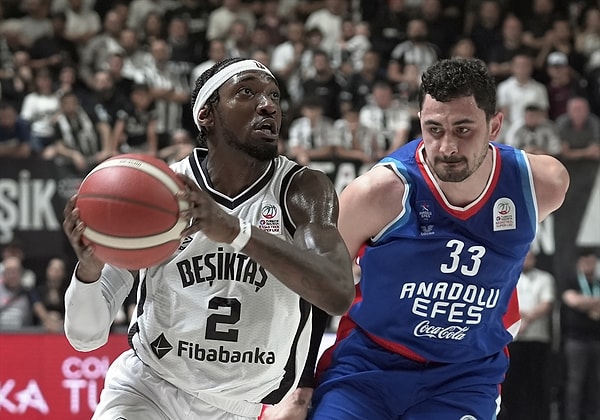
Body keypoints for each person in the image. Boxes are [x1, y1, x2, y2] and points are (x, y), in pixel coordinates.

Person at [62, 57, 355, 420]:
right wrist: (89, 270)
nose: (268, 105)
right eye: (247, 92)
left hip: (239, 409)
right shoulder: (159, 193)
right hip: (149, 389)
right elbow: (85, 338)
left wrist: (234, 231)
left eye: (274, 96)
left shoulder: (301, 189)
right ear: (207, 115)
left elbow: (338, 293)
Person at [309, 58, 570, 419]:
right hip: (369, 364)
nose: (447, 147)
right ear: (420, 121)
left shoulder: (540, 184)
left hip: (466, 374)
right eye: (434, 129)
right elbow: (311, 288)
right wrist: (297, 388)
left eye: (463, 130)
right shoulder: (378, 192)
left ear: (494, 125)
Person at [499, 248, 556, 420]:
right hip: (513, 340)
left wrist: (525, 320)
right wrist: (519, 321)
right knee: (512, 382)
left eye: (530, 258)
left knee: (536, 381)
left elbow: (547, 303)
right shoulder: (508, 276)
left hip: (537, 338)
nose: (527, 261)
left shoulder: (545, 278)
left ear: (535, 259)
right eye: (525, 257)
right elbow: (502, 302)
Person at [560, 247, 600, 420]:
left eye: (592, 262)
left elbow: (580, 302)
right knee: (575, 382)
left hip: (597, 339)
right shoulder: (571, 281)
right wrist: (593, 303)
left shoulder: (597, 282)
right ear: (579, 263)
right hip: (576, 340)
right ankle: (572, 416)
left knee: (595, 382)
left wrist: (585, 303)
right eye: (585, 262)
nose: (589, 265)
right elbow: (573, 301)